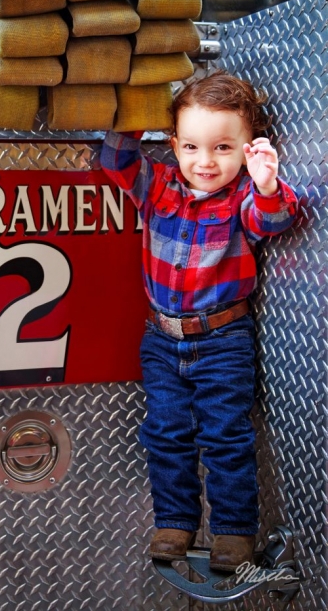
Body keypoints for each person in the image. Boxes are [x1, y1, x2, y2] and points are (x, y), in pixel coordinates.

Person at [100, 70, 299, 571]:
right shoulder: (159, 185)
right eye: (190, 146)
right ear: (173, 144)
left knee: (225, 435)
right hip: (162, 339)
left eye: (222, 149)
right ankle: (174, 523)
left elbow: (273, 220)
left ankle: (234, 532)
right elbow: (115, 160)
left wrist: (267, 182)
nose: (205, 162)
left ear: (247, 148)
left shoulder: (243, 198)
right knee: (165, 433)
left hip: (223, 339)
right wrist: (137, 109)